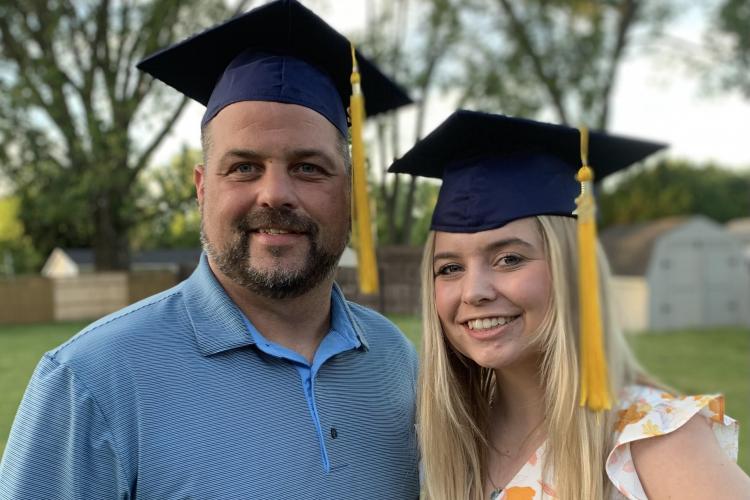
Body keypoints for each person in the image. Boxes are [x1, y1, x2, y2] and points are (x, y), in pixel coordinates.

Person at [0, 1, 420, 498]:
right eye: (243, 167)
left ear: (349, 190)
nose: (275, 194)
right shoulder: (92, 380)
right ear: (202, 188)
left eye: (309, 167)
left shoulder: (395, 360)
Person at [389, 110, 750, 499]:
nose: (473, 291)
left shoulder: (651, 441)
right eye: (450, 268)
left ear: (573, 271)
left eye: (509, 258)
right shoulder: (449, 441)